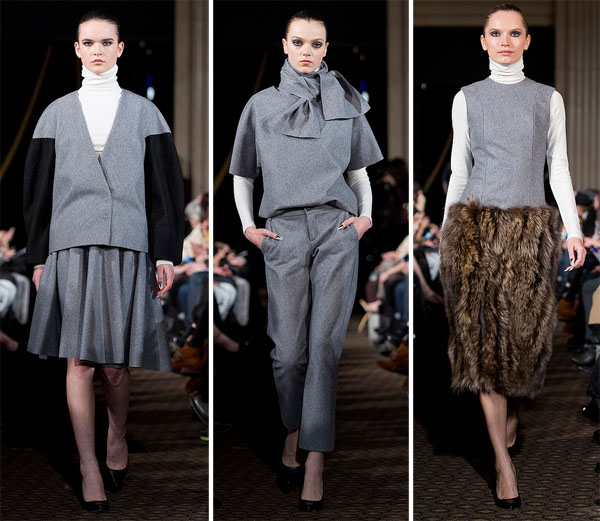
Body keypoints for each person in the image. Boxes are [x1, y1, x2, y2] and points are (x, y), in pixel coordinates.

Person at [23, 10, 184, 512]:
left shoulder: (145, 113)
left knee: (114, 366)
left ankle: (116, 436)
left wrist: (165, 251)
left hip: (128, 246)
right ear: (77, 49)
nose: (97, 50)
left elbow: (165, 189)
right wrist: (38, 257)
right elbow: (36, 194)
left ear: (120, 48)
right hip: (70, 247)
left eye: (105, 42)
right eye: (88, 42)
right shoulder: (54, 114)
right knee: (79, 361)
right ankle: (89, 465)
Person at [230, 10, 382, 512]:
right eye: (299, 42)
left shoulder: (345, 102)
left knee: (323, 347)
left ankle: (314, 458)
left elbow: (359, 173)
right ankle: (295, 429)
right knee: (288, 354)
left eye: (316, 44)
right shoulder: (260, 105)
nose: (307, 51)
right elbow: (242, 174)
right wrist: (248, 228)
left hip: (337, 228)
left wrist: (364, 219)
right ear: (284, 44)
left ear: (326, 48)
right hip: (283, 231)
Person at [439, 3, 586, 510]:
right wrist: (447, 228)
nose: (505, 40)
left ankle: (513, 415)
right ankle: (504, 465)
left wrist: (574, 230)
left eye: (514, 32)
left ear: (527, 40)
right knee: (484, 349)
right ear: (483, 41)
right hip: (476, 233)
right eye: (496, 33)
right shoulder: (466, 98)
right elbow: (460, 170)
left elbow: (558, 168)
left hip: (530, 235)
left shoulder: (548, 98)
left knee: (524, 344)